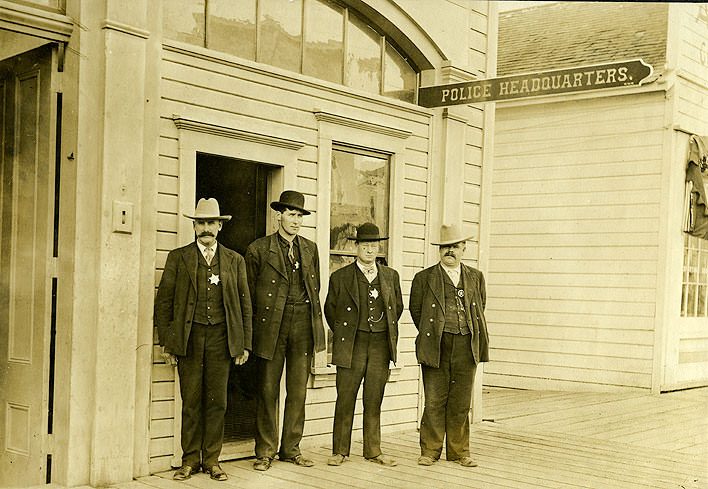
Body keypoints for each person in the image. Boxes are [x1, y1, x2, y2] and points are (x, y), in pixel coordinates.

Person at [154, 198, 252, 482]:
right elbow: (164, 303)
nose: (206, 228)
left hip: (222, 339)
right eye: (201, 223)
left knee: (217, 402)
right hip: (190, 339)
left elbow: (245, 306)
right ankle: (189, 460)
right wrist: (167, 343)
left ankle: (212, 460)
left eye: (211, 223)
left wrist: (244, 343)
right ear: (194, 226)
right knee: (192, 400)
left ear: (220, 227)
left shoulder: (235, 260)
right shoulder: (178, 257)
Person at [245, 190, 325, 471]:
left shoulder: (310, 248)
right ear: (278, 215)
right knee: (267, 389)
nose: (295, 220)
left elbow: (315, 289)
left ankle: (291, 449)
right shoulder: (258, 249)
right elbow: (249, 295)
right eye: (291, 214)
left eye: (300, 215)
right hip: (270, 326)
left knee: (298, 390)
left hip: (302, 322)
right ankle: (265, 451)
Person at [409, 223, 490, 468]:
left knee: (461, 401)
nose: (450, 251)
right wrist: (435, 333)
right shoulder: (424, 278)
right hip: (437, 345)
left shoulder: (475, 277)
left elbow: (480, 308)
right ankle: (430, 451)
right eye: (445, 247)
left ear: (464, 247)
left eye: (454, 246)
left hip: (467, 344)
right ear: (439, 250)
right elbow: (416, 311)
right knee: (434, 399)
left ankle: (459, 452)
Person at [324, 222, 403, 467]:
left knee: (374, 397)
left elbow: (396, 308)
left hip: (380, 344)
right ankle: (340, 451)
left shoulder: (390, 276)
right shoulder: (340, 277)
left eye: (374, 246)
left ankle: (373, 450)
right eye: (365, 245)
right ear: (356, 247)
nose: (370, 250)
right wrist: (348, 333)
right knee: (345, 397)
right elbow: (330, 310)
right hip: (352, 345)